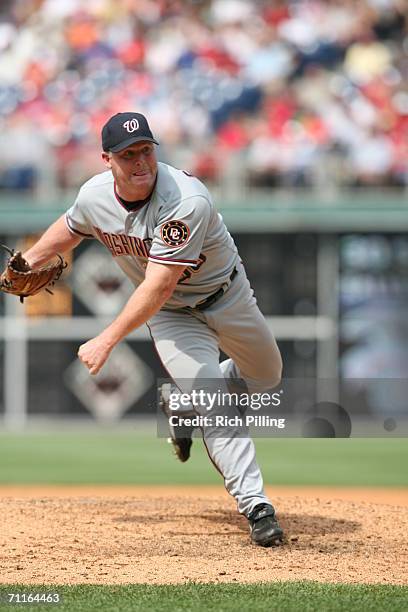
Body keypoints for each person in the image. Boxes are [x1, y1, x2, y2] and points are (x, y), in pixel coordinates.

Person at [23, 112, 284, 547]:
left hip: (227, 295)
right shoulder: (94, 195)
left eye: (147, 150)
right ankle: (257, 507)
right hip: (174, 317)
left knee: (266, 377)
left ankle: (181, 402)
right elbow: (71, 228)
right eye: (129, 154)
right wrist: (29, 260)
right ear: (107, 159)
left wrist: (107, 339)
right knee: (214, 401)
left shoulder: (186, 200)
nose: (141, 161)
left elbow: (159, 285)